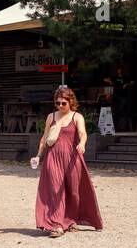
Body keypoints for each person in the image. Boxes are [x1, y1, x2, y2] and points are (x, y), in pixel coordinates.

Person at [34, 86, 103, 236]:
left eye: (63, 103)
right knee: (55, 190)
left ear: (70, 102)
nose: (60, 106)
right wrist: (38, 155)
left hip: (72, 159)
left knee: (74, 192)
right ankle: (57, 224)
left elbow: (83, 134)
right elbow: (44, 138)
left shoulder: (77, 117)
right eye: (57, 103)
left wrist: (82, 144)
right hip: (53, 158)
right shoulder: (51, 117)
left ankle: (70, 220)